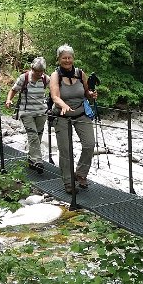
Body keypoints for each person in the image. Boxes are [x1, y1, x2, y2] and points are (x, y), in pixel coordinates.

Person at [49, 44, 97, 194]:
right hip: (62, 117)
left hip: (81, 114)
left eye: (70, 57)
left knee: (89, 144)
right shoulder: (55, 75)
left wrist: (92, 95)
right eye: (64, 58)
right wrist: (62, 105)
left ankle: (81, 174)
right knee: (66, 150)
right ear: (59, 59)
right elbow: (55, 96)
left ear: (73, 58)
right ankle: (69, 182)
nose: (67, 60)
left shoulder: (80, 73)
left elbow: (87, 93)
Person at [6, 57, 50, 174]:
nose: (39, 74)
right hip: (26, 112)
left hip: (41, 112)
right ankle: (38, 161)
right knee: (33, 135)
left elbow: (55, 90)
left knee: (38, 135)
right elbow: (13, 90)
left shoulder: (46, 79)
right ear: (32, 69)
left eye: (41, 71)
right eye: (37, 71)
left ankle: (31, 159)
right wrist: (8, 100)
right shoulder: (24, 78)